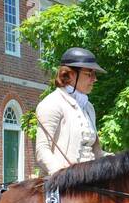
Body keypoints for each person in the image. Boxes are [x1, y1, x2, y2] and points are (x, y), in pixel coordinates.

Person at [34, 47, 108, 176]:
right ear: (70, 74)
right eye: (89, 74)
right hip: (63, 186)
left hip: (90, 180)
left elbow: (96, 153)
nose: (94, 79)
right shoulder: (52, 103)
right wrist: (62, 176)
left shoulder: (89, 107)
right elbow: (42, 150)